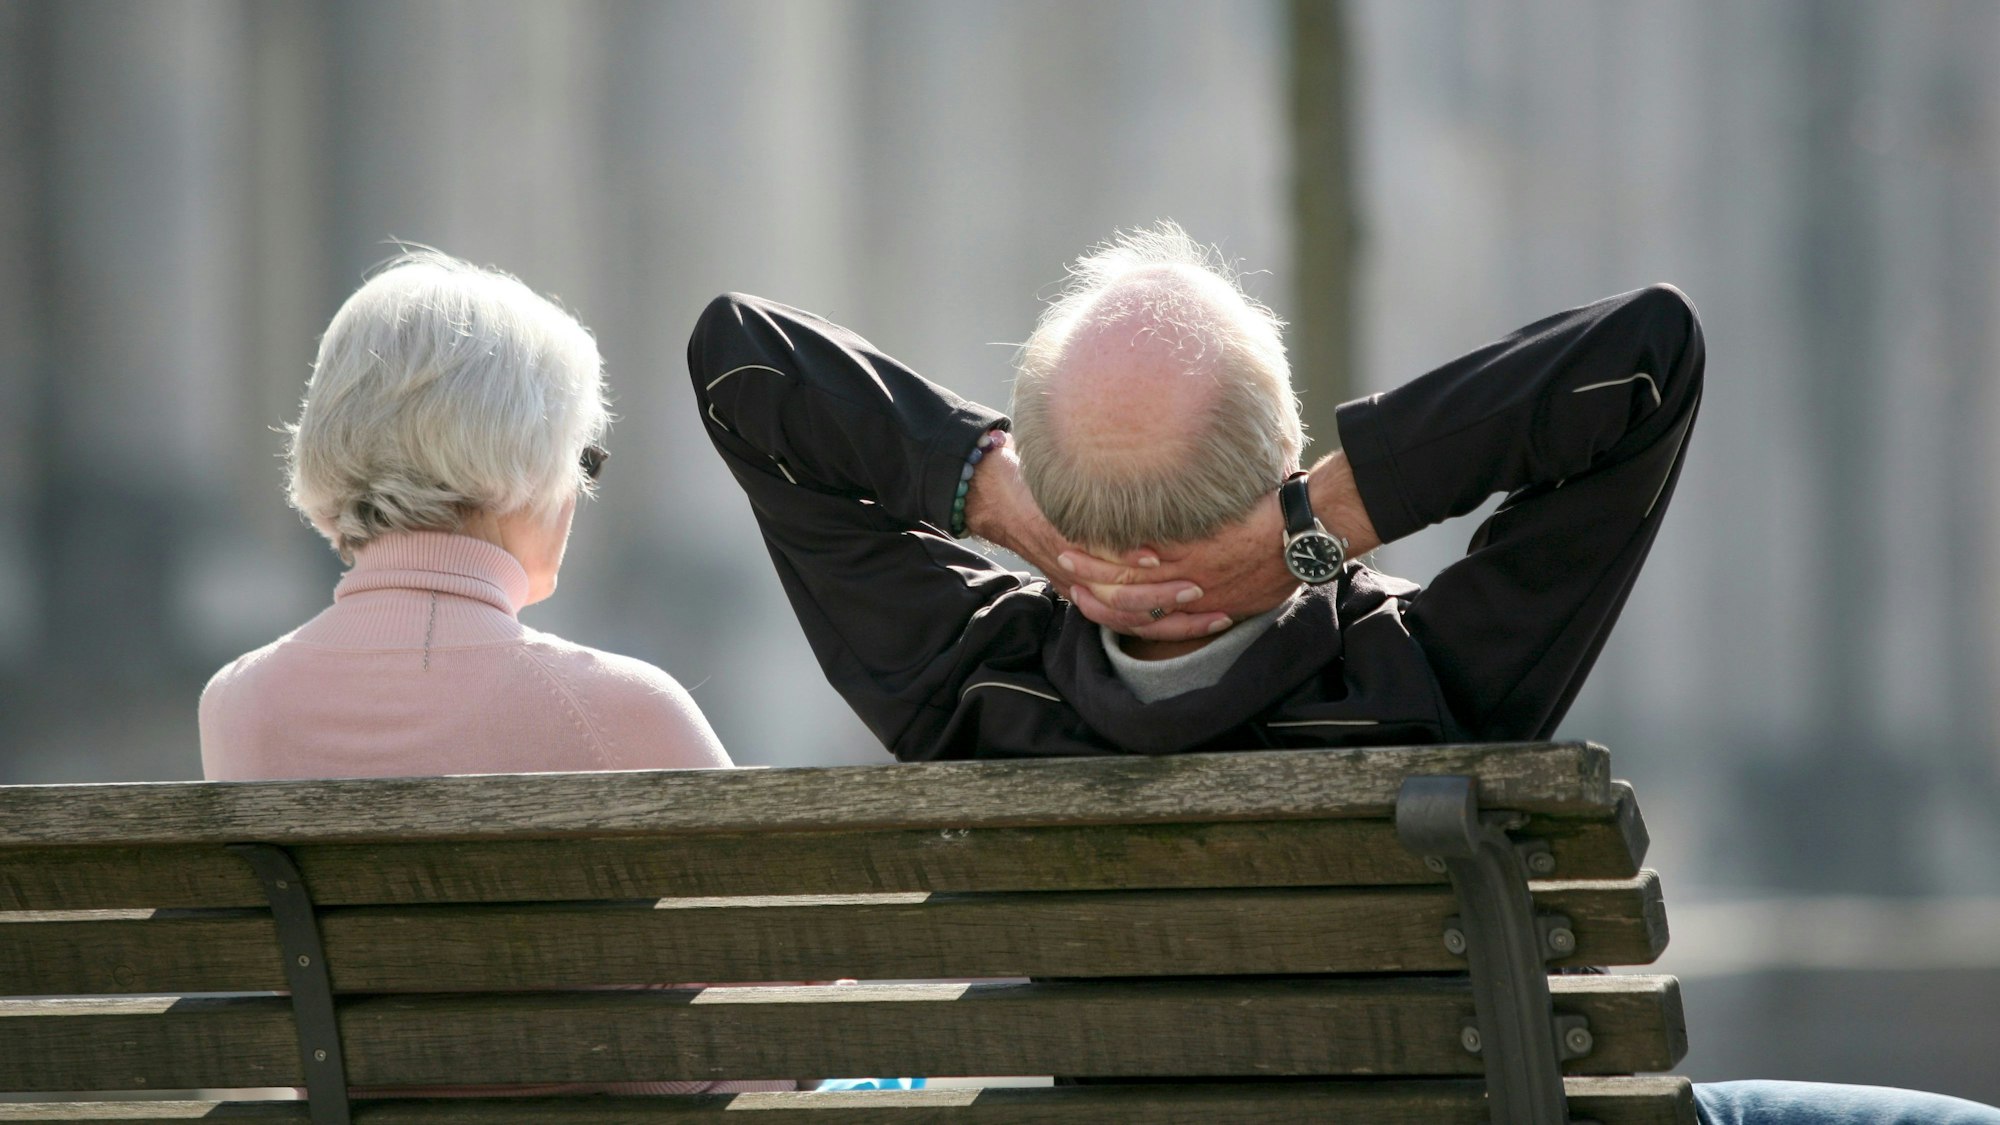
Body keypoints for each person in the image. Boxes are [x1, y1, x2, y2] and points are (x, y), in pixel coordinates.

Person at [686, 224, 2000, 1123]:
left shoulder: (971, 685)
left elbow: (741, 361)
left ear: (1051, 492)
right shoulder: (1420, 674)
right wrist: (1318, 531)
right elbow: (1645, 358)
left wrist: (997, 501)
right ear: (1285, 455)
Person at [202, 250, 788, 1096]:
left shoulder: (236, 703)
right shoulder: (619, 709)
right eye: (582, 459)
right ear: (523, 462)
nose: (579, 494)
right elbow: (785, 979)